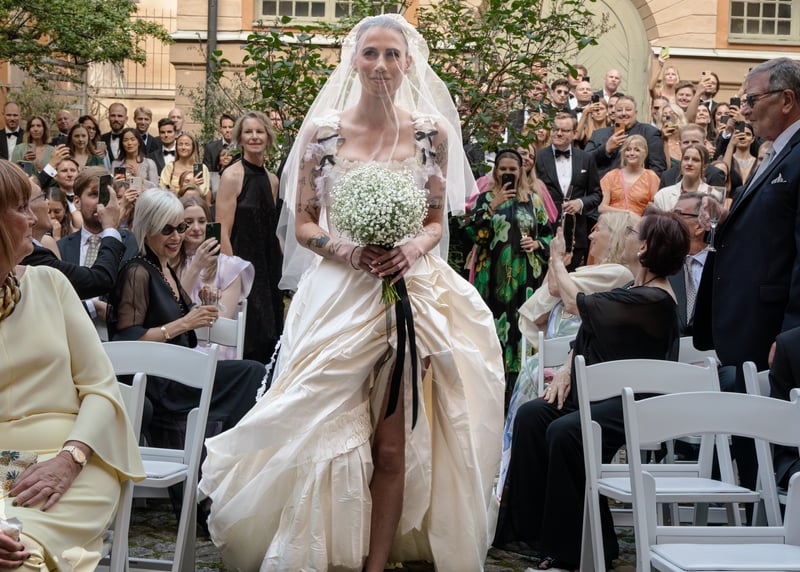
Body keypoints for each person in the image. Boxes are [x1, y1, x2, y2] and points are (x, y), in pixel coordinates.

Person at [199, 15, 504, 572]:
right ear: (354, 60)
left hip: (409, 294)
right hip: (337, 296)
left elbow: (436, 223)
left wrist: (409, 250)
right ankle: (320, 551)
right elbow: (305, 225)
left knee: (392, 443)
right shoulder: (323, 135)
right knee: (326, 431)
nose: (381, 65)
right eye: (371, 53)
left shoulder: (431, 135)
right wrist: (348, 249)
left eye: (392, 54)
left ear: (409, 63)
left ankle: (376, 563)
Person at [494, 209, 688, 571]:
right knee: (533, 415)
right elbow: (587, 334)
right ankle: (528, 532)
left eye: (632, 232)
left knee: (567, 432)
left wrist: (556, 259)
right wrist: (565, 371)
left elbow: (574, 304)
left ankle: (578, 547)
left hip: (634, 403)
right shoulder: (633, 290)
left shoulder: (655, 300)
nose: (627, 235)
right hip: (602, 395)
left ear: (644, 248)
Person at [0, 159, 144, 570]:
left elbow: (101, 387)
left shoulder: (50, 284)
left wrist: (71, 458)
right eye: (21, 208)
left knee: (21, 555)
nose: (34, 219)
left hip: (73, 463)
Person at [694, 57, 800, 491]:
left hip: (773, 333)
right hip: (748, 326)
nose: (745, 110)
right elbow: (769, 227)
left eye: (753, 100)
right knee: (751, 451)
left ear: (787, 100)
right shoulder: (774, 149)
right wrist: (727, 218)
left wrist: (791, 336)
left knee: (771, 457)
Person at [106, 188, 265, 447]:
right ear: (147, 229)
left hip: (178, 371)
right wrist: (185, 323)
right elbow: (126, 340)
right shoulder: (137, 271)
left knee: (255, 374)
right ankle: (223, 453)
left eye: (180, 228)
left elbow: (177, 316)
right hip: (159, 383)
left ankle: (223, 453)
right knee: (251, 374)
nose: (177, 237)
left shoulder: (164, 268)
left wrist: (202, 306)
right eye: (167, 230)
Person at [500, 211, 638, 492]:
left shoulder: (618, 273)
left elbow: (557, 290)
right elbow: (542, 310)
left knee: (535, 413)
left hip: (578, 368)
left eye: (599, 229)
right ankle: (518, 485)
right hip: (557, 361)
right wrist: (558, 263)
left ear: (615, 235)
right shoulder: (592, 271)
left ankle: (523, 486)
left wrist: (555, 259)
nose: (591, 235)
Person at [467, 148, 553, 399]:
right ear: (496, 171)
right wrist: (493, 206)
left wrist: (538, 244)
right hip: (492, 277)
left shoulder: (534, 201)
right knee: (494, 328)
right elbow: (474, 235)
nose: (508, 173)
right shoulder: (485, 199)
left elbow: (548, 233)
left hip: (525, 276)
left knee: (521, 327)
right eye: (503, 169)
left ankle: (520, 389)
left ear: (521, 171)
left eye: (512, 169)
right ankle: (492, 391)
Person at [215, 111, 283, 363]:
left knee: (272, 333)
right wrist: (235, 276)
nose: (254, 137)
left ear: (268, 137)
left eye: (259, 131)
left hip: (270, 267)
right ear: (240, 138)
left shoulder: (273, 180)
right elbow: (222, 230)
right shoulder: (232, 176)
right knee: (249, 336)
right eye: (248, 132)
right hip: (244, 266)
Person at [175, 194, 254, 360]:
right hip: (178, 346)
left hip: (214, 349)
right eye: (188, 222)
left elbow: (220, 324)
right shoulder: (170, 264)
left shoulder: (229, 266)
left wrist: (209, 303)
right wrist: (195, 267)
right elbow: (174, 310)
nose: (196, 228)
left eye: (202, 221)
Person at [535, 112, 602, 269]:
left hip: (576, 234)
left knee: (570, 280)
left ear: (574, 133)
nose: (558, 133)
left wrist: (580, 203)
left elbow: (597, 194)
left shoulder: (586, 158)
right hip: (545, 233)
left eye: (564, 130)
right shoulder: (538, 157)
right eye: (555, 129)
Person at [585, 95, 666, 178]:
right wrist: (606, 148)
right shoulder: (598, 134)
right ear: (614, 113)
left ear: (636, 113)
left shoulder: (649, 132)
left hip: (638, 183)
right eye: (619, 110)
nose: (623, 113)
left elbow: (658, 169)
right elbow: (584, 161)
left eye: (628, 110)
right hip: (602, 183)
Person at [598, 134, 661, 216]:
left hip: (639, 222)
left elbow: (656, 208)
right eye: (628, 149)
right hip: (611, 221)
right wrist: (627, 213)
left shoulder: (651, 177)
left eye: (637, 150)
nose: (631, 153)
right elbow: (602, 207)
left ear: (644, 153)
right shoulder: (611, 176)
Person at [653, 144, 711, 212]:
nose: (689, 163)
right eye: (686, 159)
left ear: (704, 167)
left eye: (695, 160)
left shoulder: (713, 195)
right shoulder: (662, 195)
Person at [159, 133, 211, 203]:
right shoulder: (170, 166)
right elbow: (162, 189)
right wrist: (191, 185)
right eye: (180, 144)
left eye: (187, 144)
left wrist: (178, 191)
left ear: (193, 147)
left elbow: (203, 192)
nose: (183, 147)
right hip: (172, 205)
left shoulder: (200, 167)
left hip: (194, 205)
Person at [722, 122, 758, 186]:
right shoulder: (724, 158)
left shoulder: (759, 161)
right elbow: (723, 177)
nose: (743, 137)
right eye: (739, 134)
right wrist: (731, 145)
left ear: (753, 139)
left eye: (747, 134)